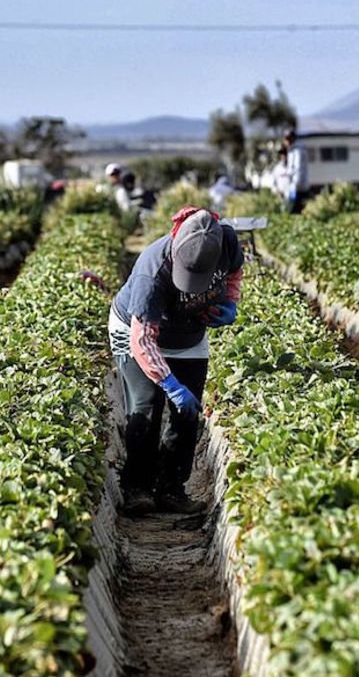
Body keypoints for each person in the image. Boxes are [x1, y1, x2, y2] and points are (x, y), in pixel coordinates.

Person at [108, 207, 245, 515]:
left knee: (188, 410)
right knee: (146, 404)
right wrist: (169, 383)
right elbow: (142, 341)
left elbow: (235, 272)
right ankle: (137, 488)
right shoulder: (151, 272)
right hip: (135, 331)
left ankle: (172, 489)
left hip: (188, 334)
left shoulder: (228, 243)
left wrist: (230, 304)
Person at [283, 128, 309, 213]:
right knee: (292, 210)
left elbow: (298, 169)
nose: (285, 141)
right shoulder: (292, 150)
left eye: (287, 139)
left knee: (296, 211)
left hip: (298, 187)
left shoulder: (298, 151)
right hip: (294, 187)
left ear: (292, 139)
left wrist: (295, 186)